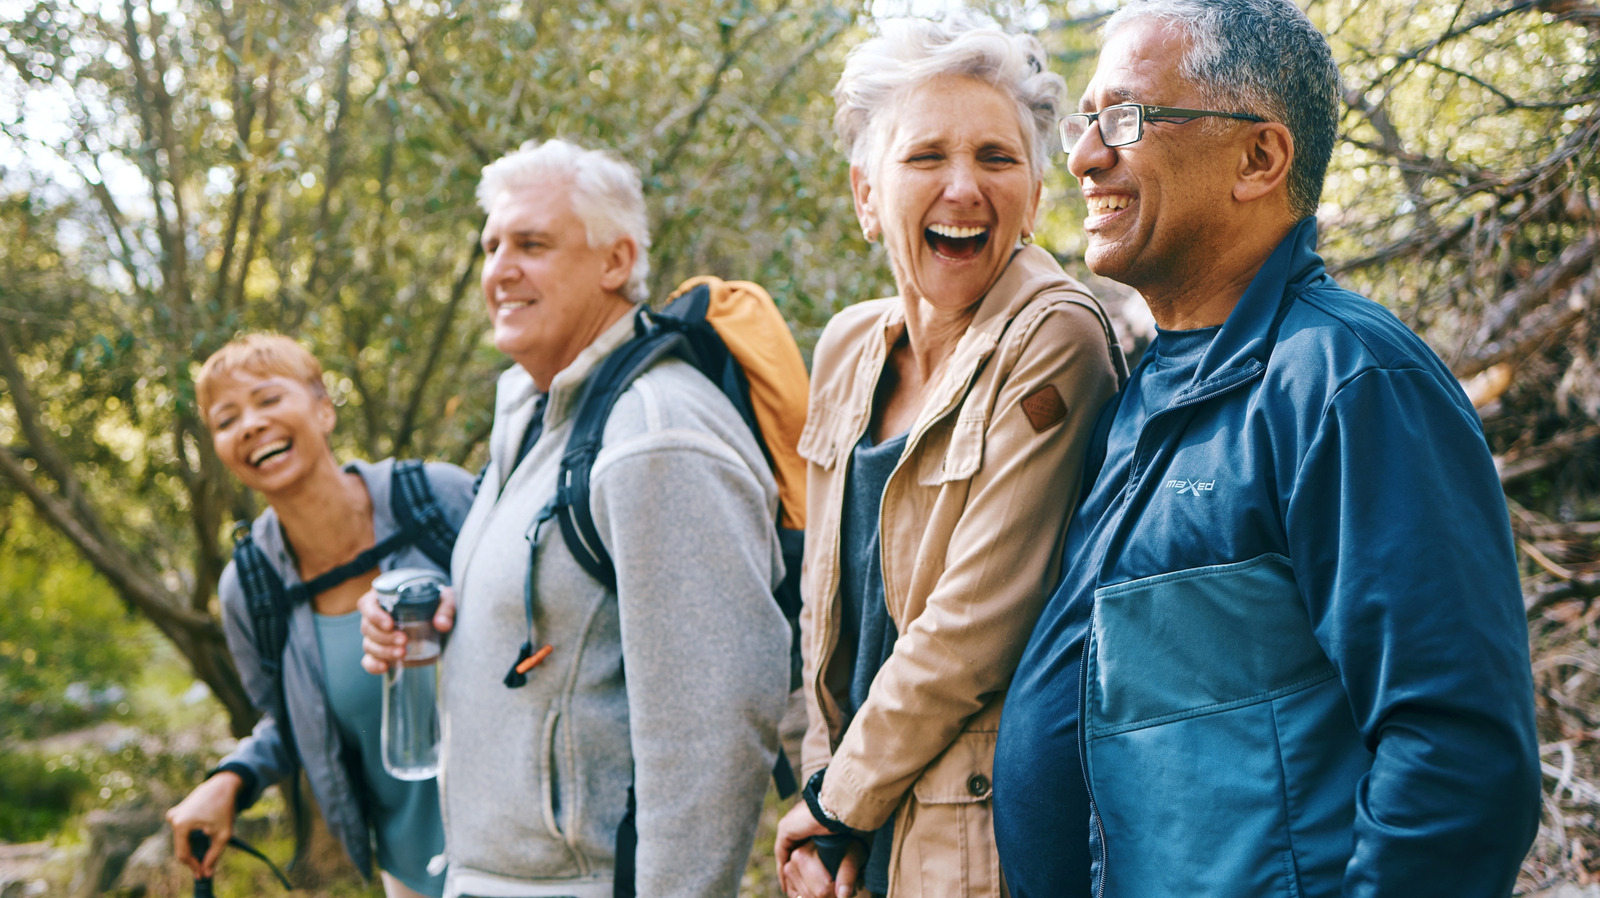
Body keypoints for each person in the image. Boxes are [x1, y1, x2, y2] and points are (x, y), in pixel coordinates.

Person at [991, 1, 1543, 895]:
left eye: (1125, 118)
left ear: (1260, 159)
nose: (1087, 155)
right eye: (1087, 121)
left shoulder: (1347, 382)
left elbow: (1461, 759)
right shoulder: (1149, 389)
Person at [359, 138, 792, 898]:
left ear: (616, 261)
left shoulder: (654, 435)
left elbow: (714, 731)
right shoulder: (539, 417)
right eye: (492, 246)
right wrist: (446, 614)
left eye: (532, 244)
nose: (500, 270)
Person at [774, 17, 1123, 898]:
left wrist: (837, 797)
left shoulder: (1056, 338)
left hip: (978, 846)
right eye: (925, 156)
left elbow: (975, 626)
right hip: (858, 827)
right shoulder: (848, 348)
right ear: (865, 193)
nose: (963, 188)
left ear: (1036, 193)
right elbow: (826, 616)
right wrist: (828, 814)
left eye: (998, 159)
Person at [165, 334, 476, 898]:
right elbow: (292, 720)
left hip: (535, 853)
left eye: (267, 399)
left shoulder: (438, 499)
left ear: (323, 409)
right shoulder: (251, 586)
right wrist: (233, 779)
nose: (251, 425)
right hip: (411, 874)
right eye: (227, 419)